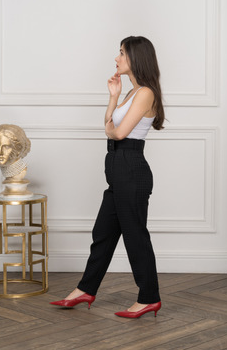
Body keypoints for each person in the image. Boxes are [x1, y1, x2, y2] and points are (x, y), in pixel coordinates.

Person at [50, 36, 165, 318]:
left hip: (131, 167)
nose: (116, 58)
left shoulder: (146, 92)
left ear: (136, 58)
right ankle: (85, 289)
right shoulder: (130, 93)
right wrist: (113, 96)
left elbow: (118, 132)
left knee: (135, 236)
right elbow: (108, 125)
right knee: (103, 233)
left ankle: (149, 297)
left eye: (122, 53)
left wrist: (111, 129)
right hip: (118, 169)